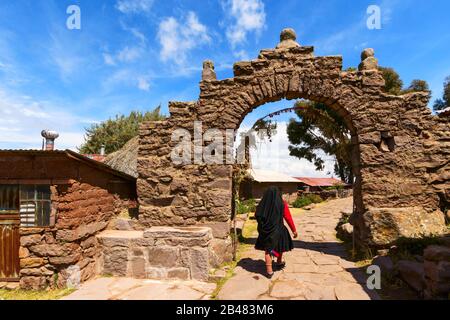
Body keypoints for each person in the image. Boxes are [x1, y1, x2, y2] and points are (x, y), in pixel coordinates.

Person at [255, 186, 298, 278]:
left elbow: (258, 216)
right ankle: (278, 261)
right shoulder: (282, 204)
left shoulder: (262, 205)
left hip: (266, 231)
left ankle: (269, 271)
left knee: (268, 250)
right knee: (280, 246)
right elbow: (288, 217)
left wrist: (263, 227)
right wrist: (294, 230)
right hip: (279, 230)